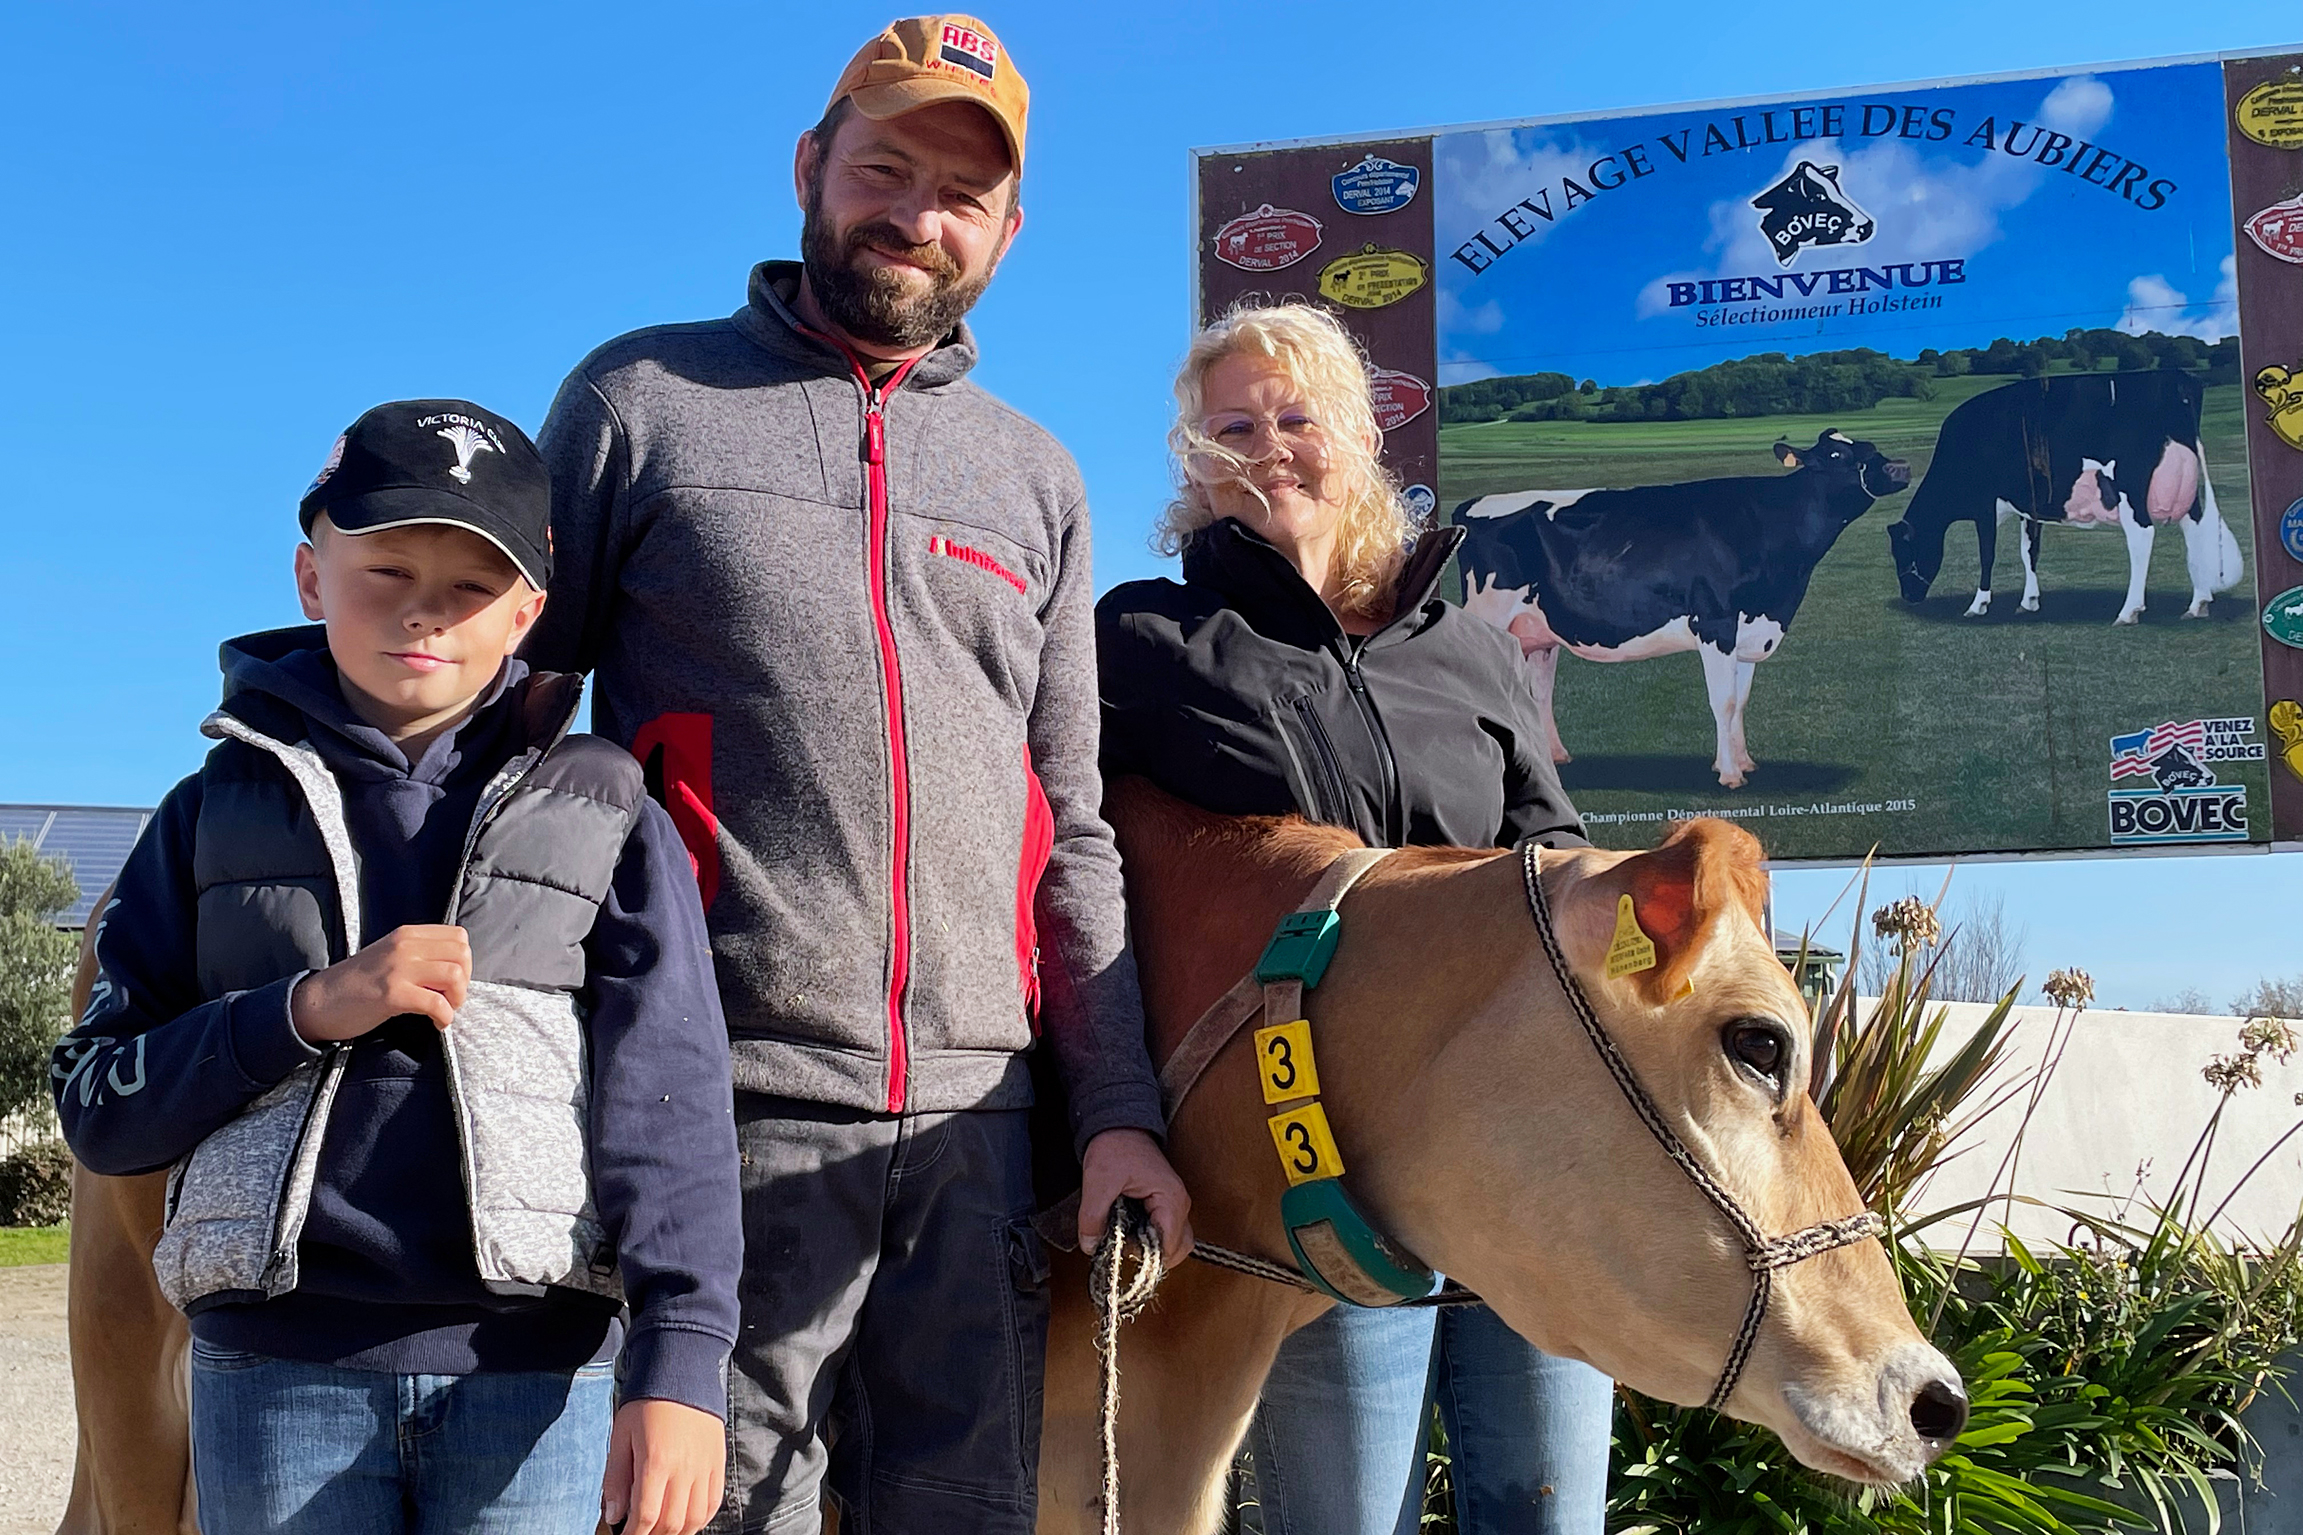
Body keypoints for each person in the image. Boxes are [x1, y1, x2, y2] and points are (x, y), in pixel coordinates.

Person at [528, 16, 1190, 1532]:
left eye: (960, 193)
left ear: (1007, 234)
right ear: (810, 167)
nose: (915, 213)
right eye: (883, 165)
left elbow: (1068, 825)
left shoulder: (1035, 475)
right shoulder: (639, 403)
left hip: (973, 1142)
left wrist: (1112, 1113)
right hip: (719, 1121)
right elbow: (516, 726)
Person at [50, 399, 743, 1535]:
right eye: (385, 566)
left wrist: (681, 1361)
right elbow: (97, 1106)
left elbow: (671, 1108)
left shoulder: (607, 810)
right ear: (311, 576)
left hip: (535, 1382)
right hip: (274, 1375)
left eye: (472, 585)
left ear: (527, 610)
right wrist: (302, 1010)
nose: (425, 611)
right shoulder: (202, 820)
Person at [1096, 303, 1614, 1535]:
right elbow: (1077, 877)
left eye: (1297, 418)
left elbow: (1556, 864)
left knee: (1545, 1512)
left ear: (1360, 442)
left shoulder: (1473, 655)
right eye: (1232, 424)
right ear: (1191, 459)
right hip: (1314, 1167)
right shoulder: (1145, 641)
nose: (1268, 446)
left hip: (1526, 1153)